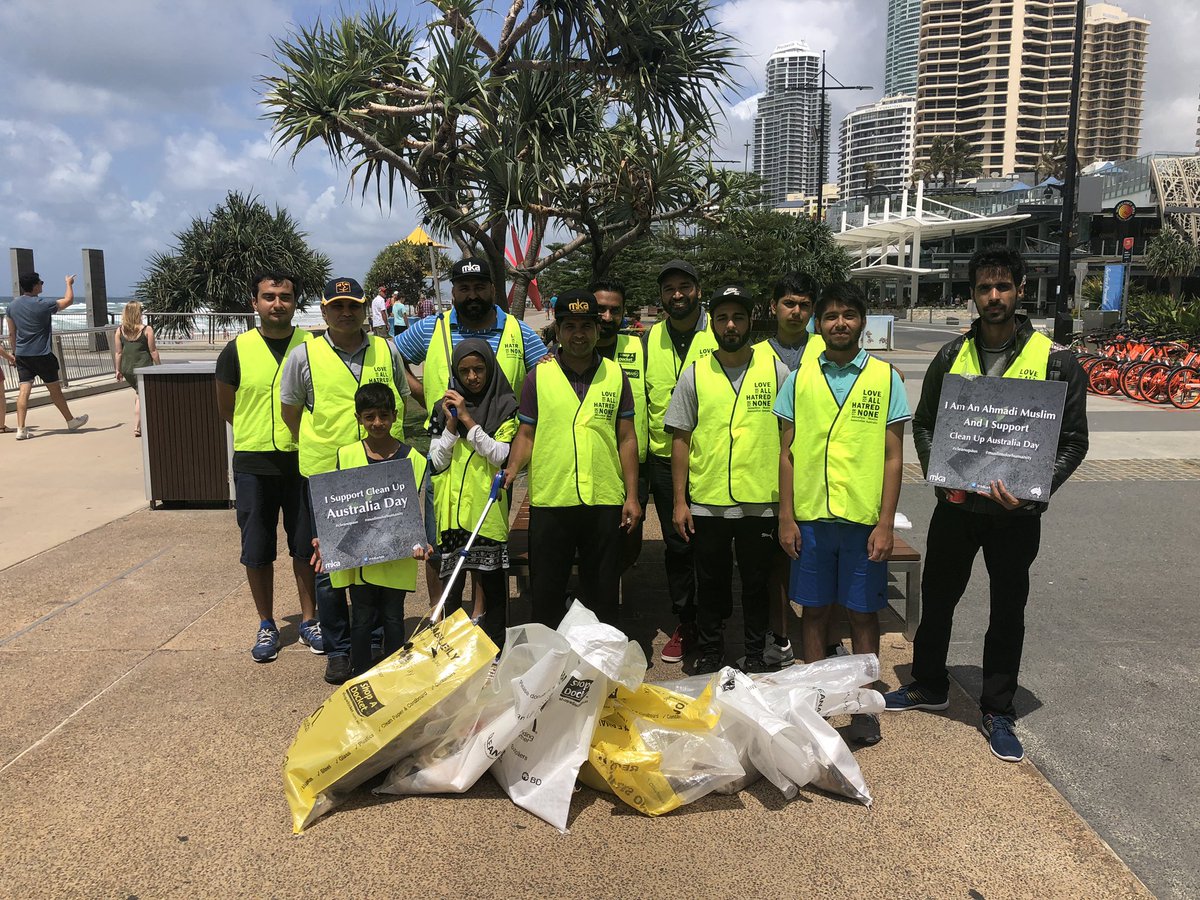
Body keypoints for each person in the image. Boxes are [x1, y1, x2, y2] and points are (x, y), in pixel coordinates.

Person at [884, 245, 1089, 763]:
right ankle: (928, 684)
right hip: (957, 507)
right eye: (983, 288)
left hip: (1014, 517)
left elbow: (1073, 441)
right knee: (939, 597)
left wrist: (1033, 490)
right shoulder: (952, 356)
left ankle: (998, 707)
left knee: (1007, 610)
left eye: (1002, 287)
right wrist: (942, 474)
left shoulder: (1057, 361)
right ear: (972, 294)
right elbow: (926, 424)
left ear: (1020, 291)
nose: (992, 296)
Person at [776, 282, 910, 746]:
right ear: (819, 323)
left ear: (862, 321)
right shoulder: (799, 379)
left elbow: (894, 456)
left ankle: (864, 702)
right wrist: (786, 517)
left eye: (849, 315)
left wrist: (885, 522)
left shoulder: (885, 377)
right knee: (813, 612)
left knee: (863, 614)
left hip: (861, 521)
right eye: (830, 316)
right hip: (811, 519)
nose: (839, 324)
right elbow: (787, 452)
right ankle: (815, 697)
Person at [280, 277, 412, 685]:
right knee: (331, 568)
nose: (345, 313)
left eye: (353, 305)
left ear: (363, 309)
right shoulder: (305, 355)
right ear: (323, 311)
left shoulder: (386, 350)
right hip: (328, 477)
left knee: (377, 559)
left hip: (380, 473)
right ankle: (337, 649)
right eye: (336, 306)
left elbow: (402, 397)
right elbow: (291, 411)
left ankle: (371, 641)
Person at [397, 255, 549, 603]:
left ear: (493, 289)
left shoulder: (517, 331)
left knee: (487, 542)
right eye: (464, 288)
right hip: (446, 454)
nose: (472, 295)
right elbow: (394, 355)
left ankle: (483, 622)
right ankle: (443, 621)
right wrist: (420, 393)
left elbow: (545, 373)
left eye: (480, 287)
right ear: (454, 290)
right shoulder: (431, 328)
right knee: (438, 544)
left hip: (492, 457)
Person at [666, 286, 792, 674]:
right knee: (711, 583)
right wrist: (679, 501)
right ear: (714, 323)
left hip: (760, 500)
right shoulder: (695, 372)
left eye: (738, 316)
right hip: (708, 500)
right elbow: (681, 438)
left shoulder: (775, 370)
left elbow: (789, 436)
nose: (730, 324)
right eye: (722, 318)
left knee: (756, 585)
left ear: (750, 320)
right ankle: (709, 650)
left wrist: (786, 506)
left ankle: (755, 653)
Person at [503, 289, 642, 628]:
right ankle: (546, 668)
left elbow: (626, 438)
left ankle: (597, 669)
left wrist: (633, 496)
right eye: (570, 326)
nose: (578, 334)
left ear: (597, 329)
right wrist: (510, 470)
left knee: (603, 595)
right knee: (546, 594)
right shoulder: (539, 376)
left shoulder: (615, 375)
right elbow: (526, 434)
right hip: (552, 500)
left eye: (586, 326)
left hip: (603, 500)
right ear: (559, 331)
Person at [215, 272, 321, 664]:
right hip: (254, 463)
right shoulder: (236, 350)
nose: (277, 304)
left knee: (305, 545)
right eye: (269, 297)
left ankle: (310, 620)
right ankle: (266, 623)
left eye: (285, 297)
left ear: (296, 302)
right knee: (257, 549)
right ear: (255, 302)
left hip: (303, 460)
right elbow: (227, 408)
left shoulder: (312, 346)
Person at [314, 382, 433, 676]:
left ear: (395, 415)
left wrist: (426, 541)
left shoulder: (414, 459)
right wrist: (324, 539)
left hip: (398, 554)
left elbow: (424, 506)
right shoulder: (347, 454)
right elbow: (337, 505)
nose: (377, 423)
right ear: (359, 418)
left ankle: (393, 673)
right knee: (362, 618)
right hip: (361, 556)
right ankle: (360, 671)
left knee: (394, 617)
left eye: (383, 415)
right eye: (369, 417)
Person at [645, 260, 718, 664]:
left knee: (710, 545)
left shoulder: (718, 332)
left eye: (684, 286)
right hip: (662, 456)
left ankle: (713, 623)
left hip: (711, 459)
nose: (677, 294)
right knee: (677, 545)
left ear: (697, 289)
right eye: (669, 287)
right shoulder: (649, 339)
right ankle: (685, 621)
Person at [752, 272, 825, 668]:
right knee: (775, 566)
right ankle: (779, 635)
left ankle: (825, 640)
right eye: (788, 304)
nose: (796, 312)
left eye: (804, 305)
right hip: (767, 474)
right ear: (773, 306)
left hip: (819, 478)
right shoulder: (756, 354)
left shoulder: (828, 348)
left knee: (818, 562)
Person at [428, 339, 518, 650]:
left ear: (490, 369)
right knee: (451, 588)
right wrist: (452, 426)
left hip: (487, 511)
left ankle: (494, 648)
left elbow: (501, 455)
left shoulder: (506, 407)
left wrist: (468, 419)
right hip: (452, 513)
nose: (472, 377)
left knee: (492, 585)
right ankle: (451, 652)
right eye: (464, 371)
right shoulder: (444, 410)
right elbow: (436, 462)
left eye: (479, 369)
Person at [590, 279, 649, 569]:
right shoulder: (565, 352)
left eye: (615, 311)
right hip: (587, 466)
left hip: (633, 464)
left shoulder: (640, 350)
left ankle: (613, 597)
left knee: (629, 541)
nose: (607, 318)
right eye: (600, 309)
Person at [5, 273, 88, 440]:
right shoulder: (44, 304)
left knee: (24, 391)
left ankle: (21, 429)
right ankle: (70, 421)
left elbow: (12, 334)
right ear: (35, 286)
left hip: (22, 354)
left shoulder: (12, 306)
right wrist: (69, 283)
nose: (42, 284)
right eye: (40, 282)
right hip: (42, 353)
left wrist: (14, 353)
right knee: (55, 390)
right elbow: (68, 301)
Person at [115, 301, 161, 437]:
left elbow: (118, 352)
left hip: (127, 368)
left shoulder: (120, 330)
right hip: (143, 367)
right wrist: (160, 366)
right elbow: (153, 351)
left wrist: (117, 370)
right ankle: (137, 426)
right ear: (138, 313)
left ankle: (142, 422)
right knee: (142, 396)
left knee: (138, 393)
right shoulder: (147, 329)